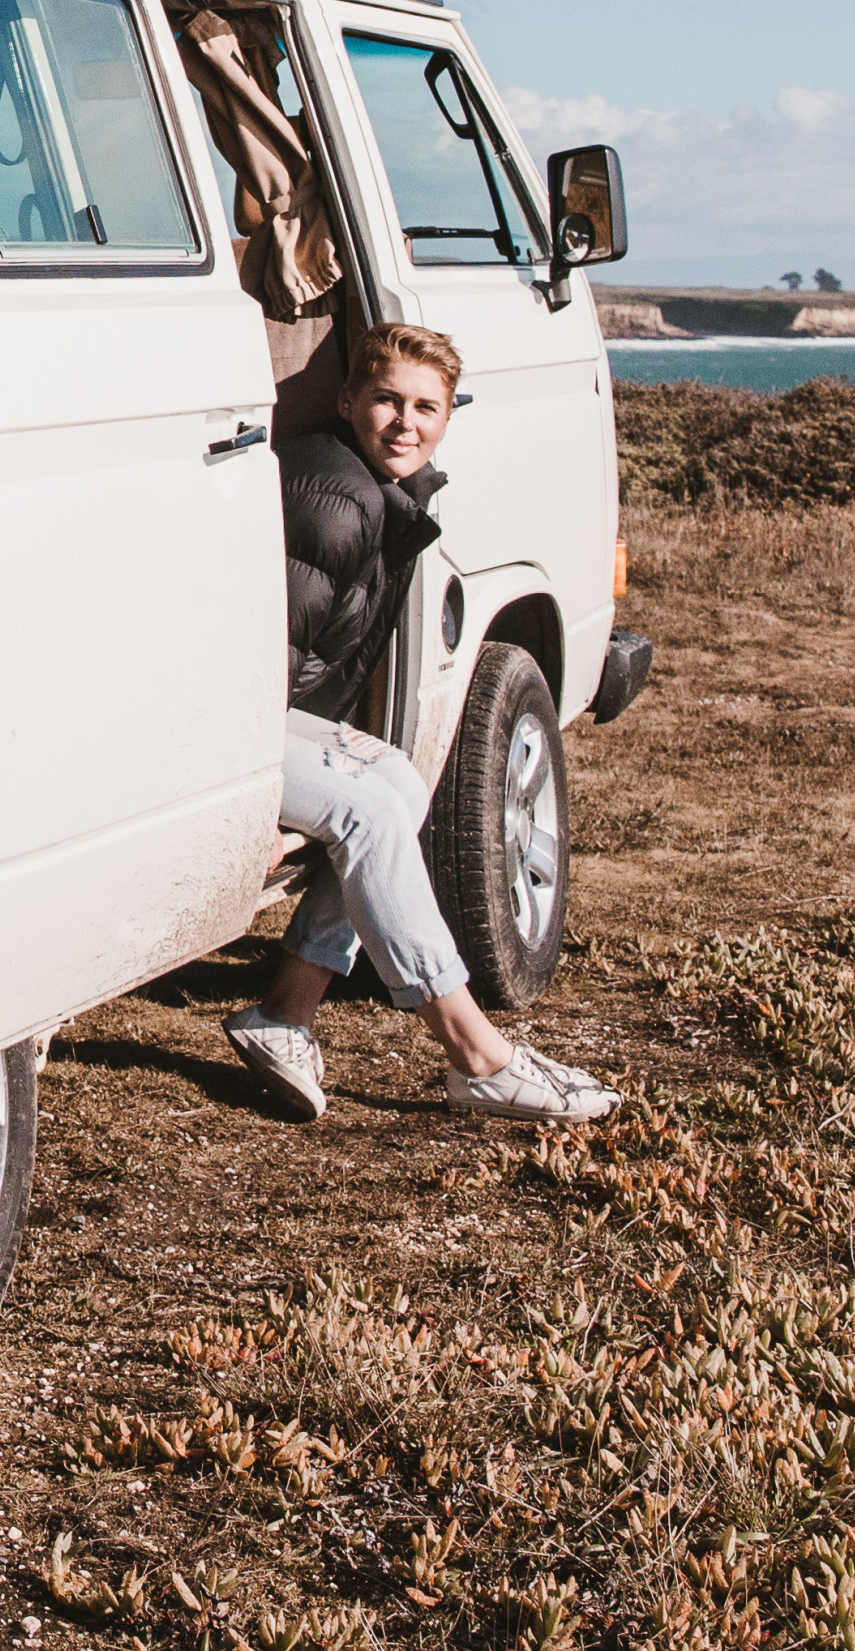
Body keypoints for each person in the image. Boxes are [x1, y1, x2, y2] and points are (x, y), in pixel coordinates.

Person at [228, 321, 619, 1128]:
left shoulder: (382, 490)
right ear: (348, 402)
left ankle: (284, 1010)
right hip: (221, 725)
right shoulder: (334, 503)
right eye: (385, 402)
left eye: (425, 408)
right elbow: (256, 671)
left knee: (397, 781)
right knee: (365, 810)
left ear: (448, 417)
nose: (405, 423)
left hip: (258, 713)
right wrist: (258, 802)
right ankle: (477, 1056)